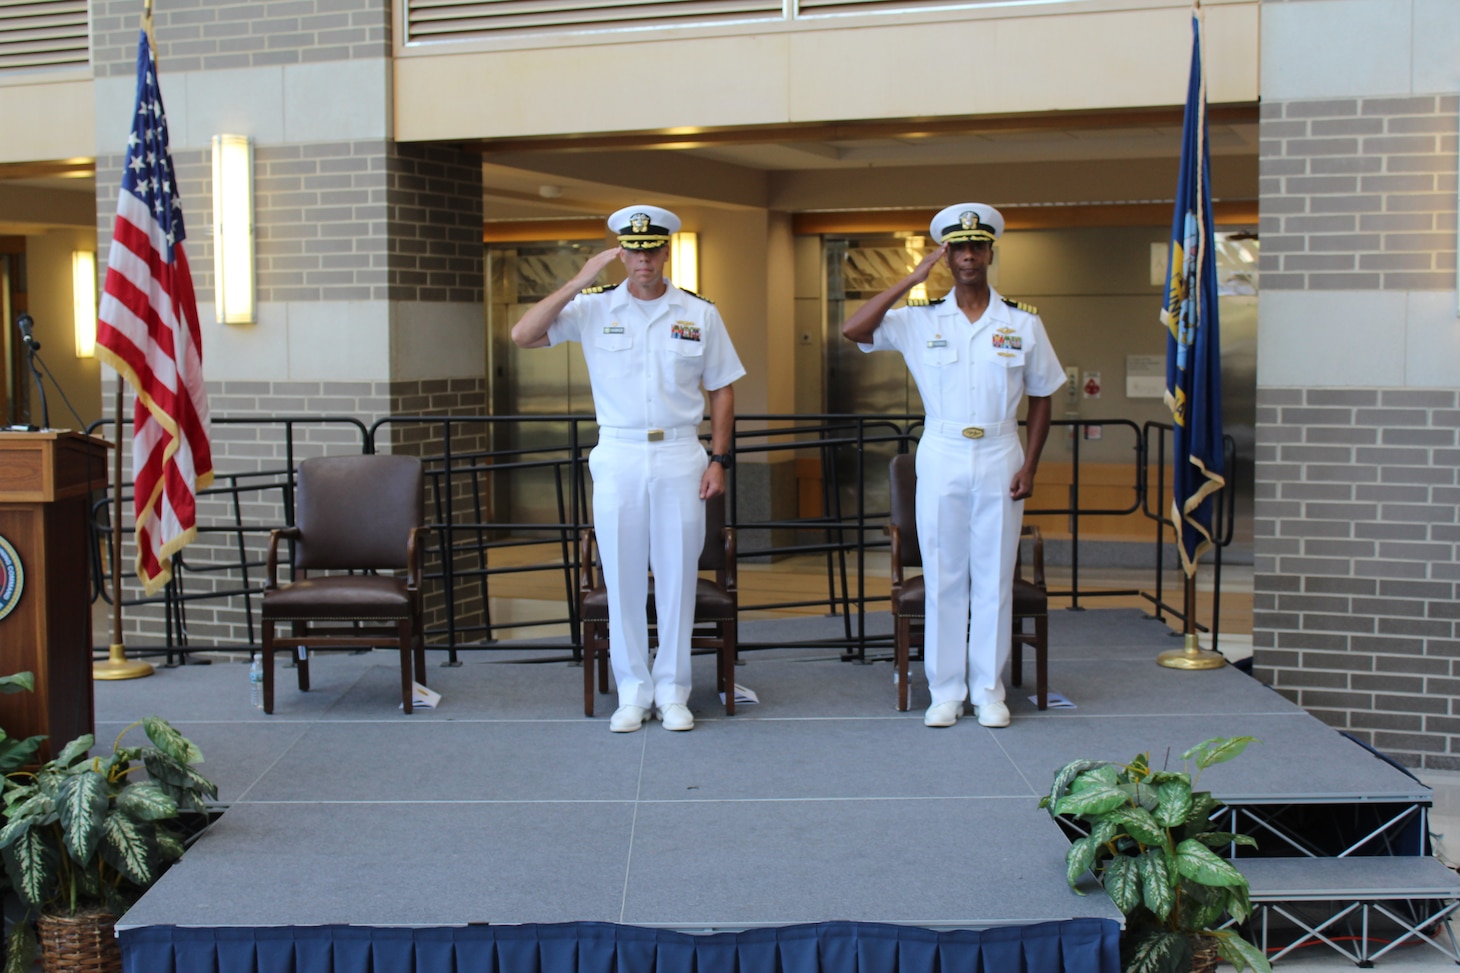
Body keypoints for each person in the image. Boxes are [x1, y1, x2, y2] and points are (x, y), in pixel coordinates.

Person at [511, 205, 745, 733]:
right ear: (622, 253)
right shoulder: (593, 308)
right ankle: (634, 692)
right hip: (617, 453)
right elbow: (523, 335)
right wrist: (579, 278)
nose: (644, 259)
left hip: (681, 453)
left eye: (653, 249)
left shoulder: (698, 313)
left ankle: (675, 691)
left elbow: (723, 388)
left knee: (679, 576)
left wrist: (720, 458)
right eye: (633, 250)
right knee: (621, 579)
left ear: (667, 252)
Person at [842, 203, 1065, 728]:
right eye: (958, 248)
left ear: (990, 252)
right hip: (941, 452)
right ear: (946, 255)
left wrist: (1030, 465)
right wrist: (911, 278)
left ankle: (989, 690)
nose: (968, 256)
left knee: (994, 577)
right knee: (944, 575)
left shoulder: (1021, 322)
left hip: (999, 450)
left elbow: (1042, 398)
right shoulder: (919, 319)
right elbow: (855, 329)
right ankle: (945, 689)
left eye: (977, 247)